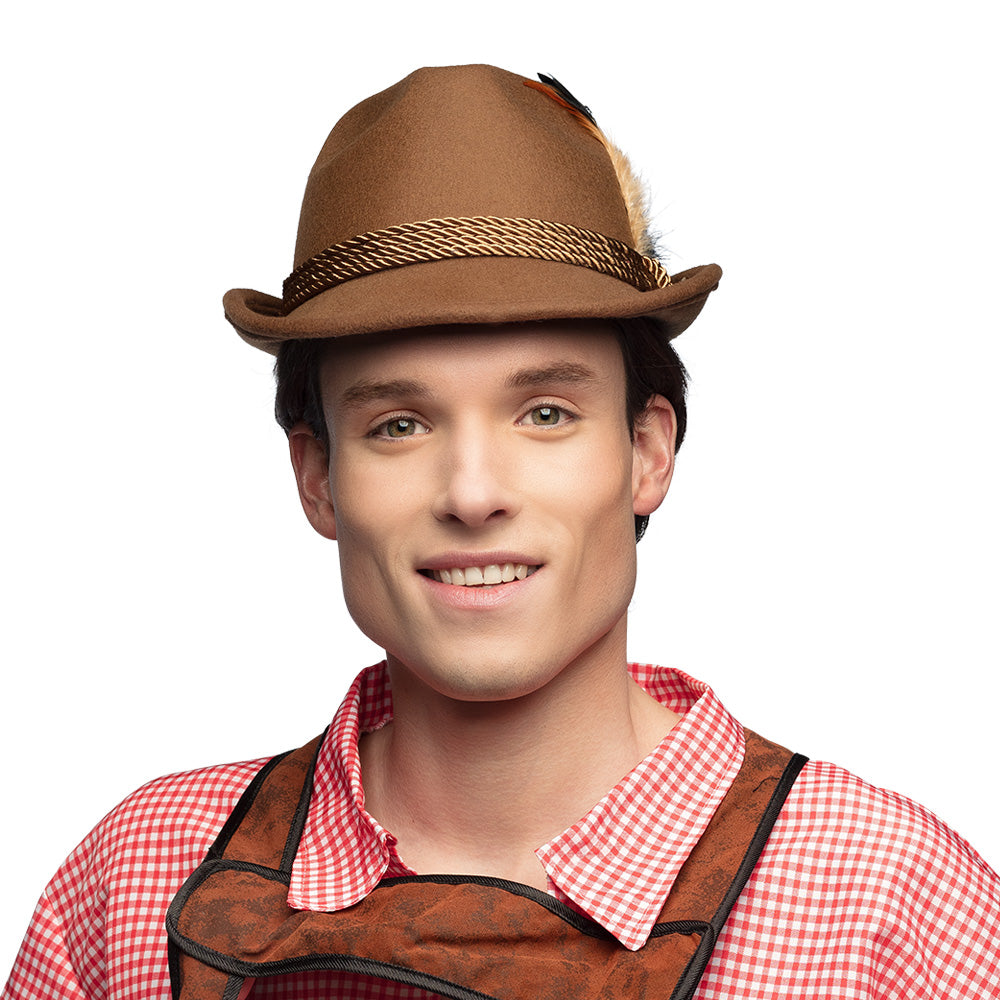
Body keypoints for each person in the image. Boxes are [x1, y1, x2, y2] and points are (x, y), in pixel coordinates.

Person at [3, 64, 998, 1000]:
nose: (474, 493)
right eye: (399, 425)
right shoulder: (140, 880)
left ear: (647, 452)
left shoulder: (887, 906)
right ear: (317, 477)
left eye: (545, 414)